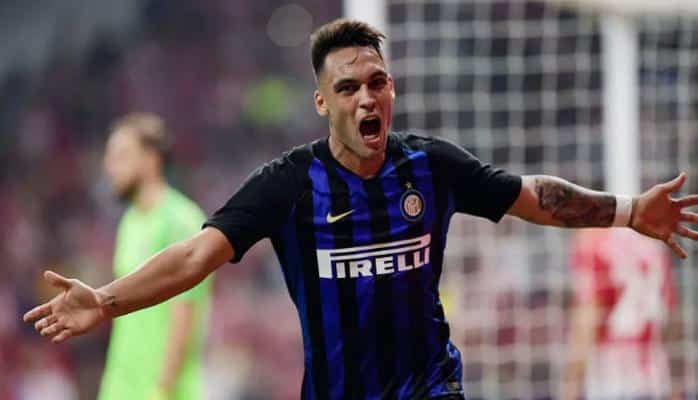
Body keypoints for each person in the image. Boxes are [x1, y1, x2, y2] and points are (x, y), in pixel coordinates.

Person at [23, 19, 698, 400]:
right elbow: (197, 256)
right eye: (348, 88)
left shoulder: (431, 166)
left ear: (391, 89)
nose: (366, 98)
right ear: (323, 102)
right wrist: (105, 301)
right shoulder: (287, 184)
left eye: (377, 83)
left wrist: (629, 209)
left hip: (431, 387)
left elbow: (530, 196)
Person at [98, 113, 212, 400]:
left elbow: (184, 311)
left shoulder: (181, 220)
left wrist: (162, 389)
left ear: (151, 159)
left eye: (121, 155)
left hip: (162, 391)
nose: (109, 165)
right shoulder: (130, 222)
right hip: (120, 388)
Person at [562, 229, 683, 400]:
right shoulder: (652, 242)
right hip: (655, 378)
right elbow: (671, 319)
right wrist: (673, 385)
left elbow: (589, 317)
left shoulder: (592, 240)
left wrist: (571, 384)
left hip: (612, 379)